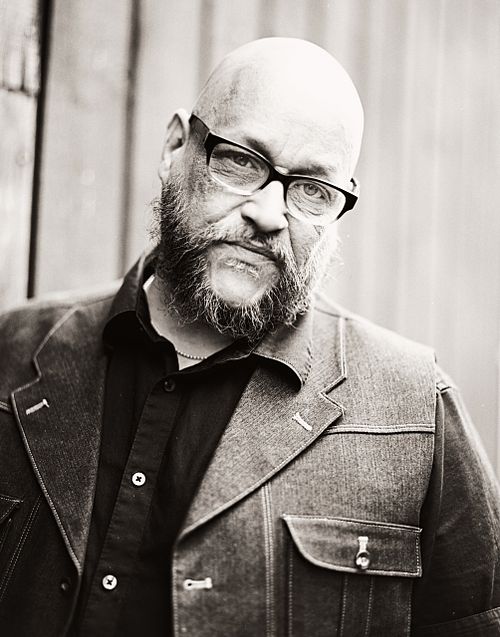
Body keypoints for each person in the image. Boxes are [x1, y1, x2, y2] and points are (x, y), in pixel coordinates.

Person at [0, 37, 499, 637]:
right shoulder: (13, 348)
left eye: (312, 189)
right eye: (240, 161)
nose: (267, 213)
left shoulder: (418, 409)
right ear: (175, 147)